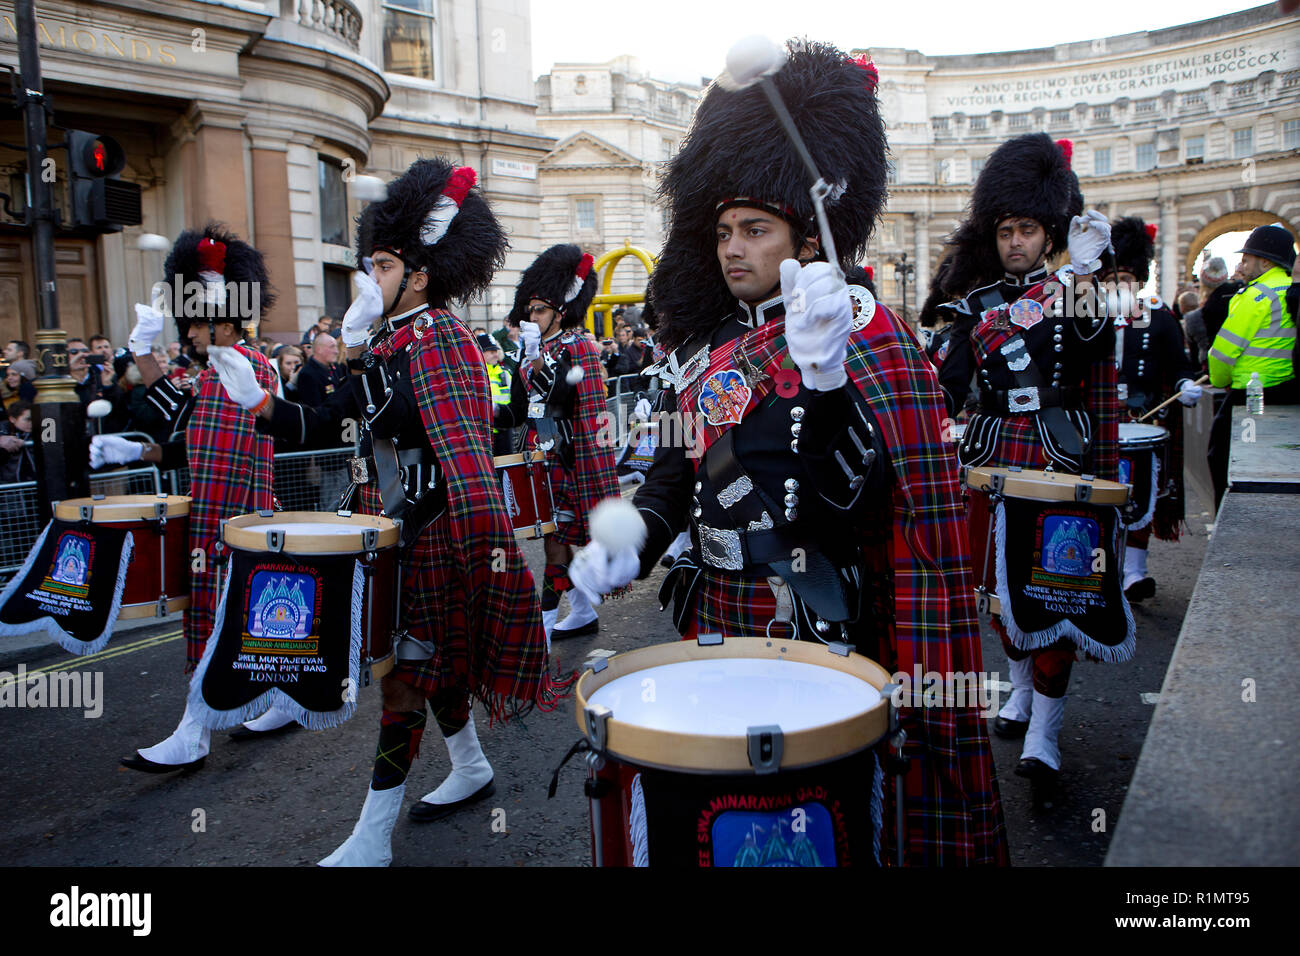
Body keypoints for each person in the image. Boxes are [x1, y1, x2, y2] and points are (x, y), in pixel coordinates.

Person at [569, 41, 1007, 865]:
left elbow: (867, 501)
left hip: (812, 624)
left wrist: (827, 381)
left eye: (756, 230)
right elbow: (672, 479)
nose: (732, 247)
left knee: (798, 832)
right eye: (725, 229)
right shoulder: (699, 347)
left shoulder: (866, 332)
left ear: (806, 234)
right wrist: (630, 539)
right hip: (709, 620)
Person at [206, 158, 556, 866]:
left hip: (436, 539)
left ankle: (373, 834)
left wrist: (488, 563)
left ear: (420, 275)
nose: (370, 279)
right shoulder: (389, 343)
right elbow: (333, 423)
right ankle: (470, 766)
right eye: (370, 263)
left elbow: (465, 460)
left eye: (385, 264)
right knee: (429, 672)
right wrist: (263, 406)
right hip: (391, 536)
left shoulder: (444, 341)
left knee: (404, 681)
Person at [935, 132, 1124, 809]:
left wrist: (1087, 280)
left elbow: (1099, 366)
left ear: (1050, 233)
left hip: (1056, 456)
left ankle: (1046, 728)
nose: (1016, 241)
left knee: (1055, 590)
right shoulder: (976, 304)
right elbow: (949, 383)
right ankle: (1017, 691)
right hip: (990, 458)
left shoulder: (1077, 291)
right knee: (1000, 591)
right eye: (1007, 230)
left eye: (1028, 229)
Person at [88, 224, 291, 771]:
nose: (191, 335)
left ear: (221, 320)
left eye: (195, 324)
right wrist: (135, 455)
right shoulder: (222, 370)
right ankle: (280, 701)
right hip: (234, 515)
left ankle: (193, 733)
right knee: (246, 620)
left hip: (232, 519)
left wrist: (141, 352)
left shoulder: (242, 366)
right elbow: (189, 444)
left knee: (217, 615)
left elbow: (191, 428)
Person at [505, 243, 620, 642]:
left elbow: (561, 394)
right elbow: (517, 410)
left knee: (556, 546)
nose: (531, 317)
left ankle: (544, 628)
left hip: (570, 461)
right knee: (560, 542)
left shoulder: (579, 345)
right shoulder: (530, 351)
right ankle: (583, 611)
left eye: (539, 310)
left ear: (561, 309)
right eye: (530, 310)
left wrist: (536, 362)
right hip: (541, 459)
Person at [1105, 218, 1202, 600]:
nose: (1121, 286)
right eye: (1116, 278)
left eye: (1128, 278)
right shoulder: (1086, 317)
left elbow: (1179, 364)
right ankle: (1103, 567)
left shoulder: (1160, 316)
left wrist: (1183, 384)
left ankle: (1134, 572)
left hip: (1145, 421)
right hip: (1099, 423)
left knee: (1139, 498)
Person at [1207, 224, 1298, 507]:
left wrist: (1218, 379)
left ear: (1266, 261)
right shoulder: (1291, 291)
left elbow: (1221, 354)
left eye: (1247, 258)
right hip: (1288, 391)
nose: (1242, 264)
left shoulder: (1255, 296)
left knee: (1223, 461)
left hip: (1248, 397)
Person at [479, 333, 515, 456]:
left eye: (496, 350)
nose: (495, 354)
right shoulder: (475, 376)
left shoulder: (506, 373)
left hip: (505, 432)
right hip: (483, 433)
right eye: (490, 351)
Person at [294, 331, 347, 410]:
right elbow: (314, 408)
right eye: (332, 347)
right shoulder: (308, 374)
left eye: (336, 347)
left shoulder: (335, 368)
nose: (336, 351)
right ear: (319, 349)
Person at [0, 400, 35, 482]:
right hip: (9, 487)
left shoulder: (40, 431)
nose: (32, 423)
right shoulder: (3, 429)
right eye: (28, 419)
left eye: (34, 418)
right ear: (12, 419)